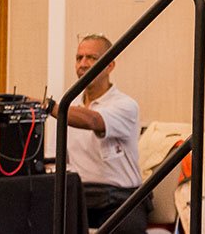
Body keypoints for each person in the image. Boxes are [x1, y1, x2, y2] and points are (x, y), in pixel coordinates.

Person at [46, 34, 149, 233]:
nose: (83, 64)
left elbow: (94, 121)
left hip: (121, 199)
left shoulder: (125, 105)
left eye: (92, 58)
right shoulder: (68, 107)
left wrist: (50, 107)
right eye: (79, 58)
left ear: (110, 65)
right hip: (79, 197)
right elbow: (52, 161)